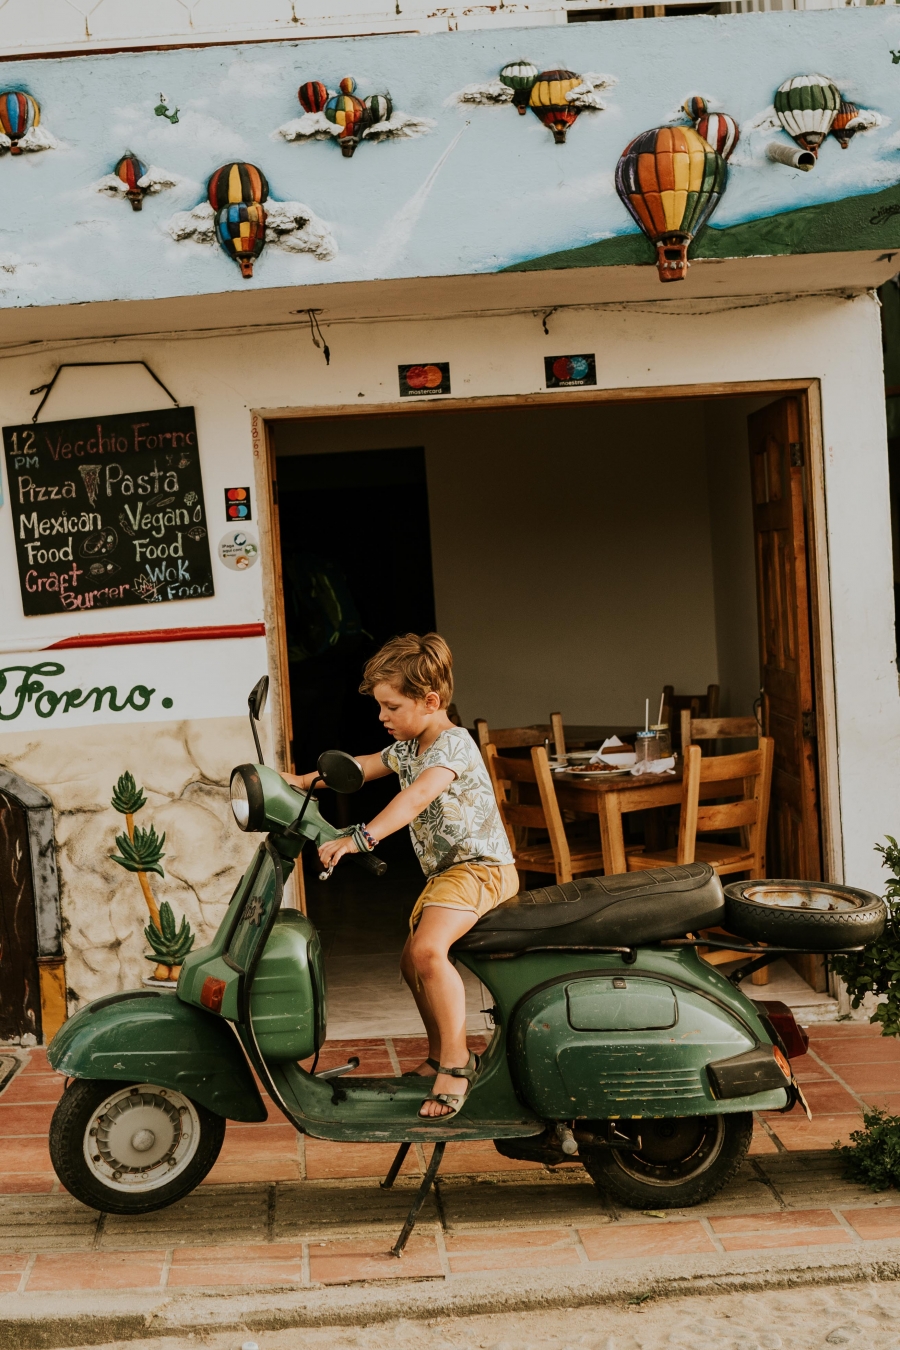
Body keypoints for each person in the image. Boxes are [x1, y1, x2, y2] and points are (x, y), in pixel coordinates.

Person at [283, 633, 518, 1120]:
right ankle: (437, 1053)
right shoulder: (408, 747)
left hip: (481, 869)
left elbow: (416, 799)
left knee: (429, 952)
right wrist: (303, 781)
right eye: (380, 706)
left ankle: (457, 1062)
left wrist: (359, 838)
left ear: (430, 701)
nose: (381, 717)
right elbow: (363, 768)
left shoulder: (451, 745)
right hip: (449, 875)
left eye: (391, 706)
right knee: (411, 963)